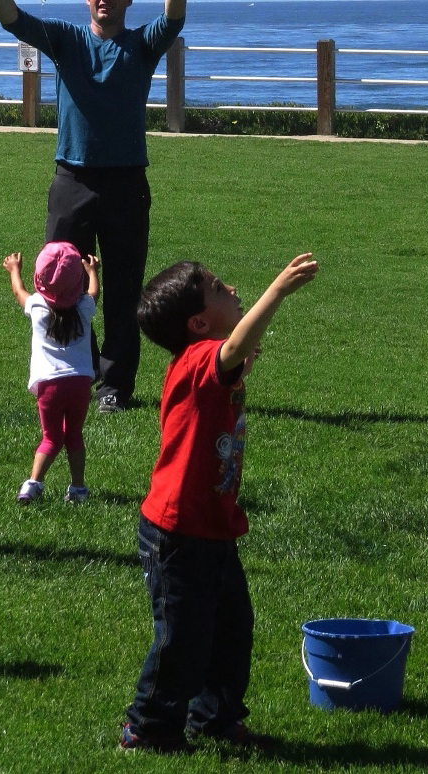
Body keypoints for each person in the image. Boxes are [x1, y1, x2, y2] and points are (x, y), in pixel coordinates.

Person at [0, 0, 186, 413]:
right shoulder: (66, 40)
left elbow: (174, 16)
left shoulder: (141, 45)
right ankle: (75, 367)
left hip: (127, 182)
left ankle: (115, 386)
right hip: (71, 179)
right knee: (60, 281)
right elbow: (12, 18)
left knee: (124, 289)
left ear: (129, 0)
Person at [120, 251, 319, 753]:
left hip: (213, 526)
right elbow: (231, 350)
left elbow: (233, 357)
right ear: (199, 322)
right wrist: (276, 292)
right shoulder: (197, 361)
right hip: (176, 531)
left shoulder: (205, 363)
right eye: (217, 286)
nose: (231, 288)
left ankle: (213, 717)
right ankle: (147, 727)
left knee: (231, 629)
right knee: (181, 638)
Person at [3, 241, 100, 505]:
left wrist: (14, 269)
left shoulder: (37, 307)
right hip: (80, 383)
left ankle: (34, 483)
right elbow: (93, 293)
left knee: (51, 436)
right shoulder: (83, 307)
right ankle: (78, 488)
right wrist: (93, 273)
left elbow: (18, 291)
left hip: (49, 386)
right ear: (76, 282)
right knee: (74, 436)